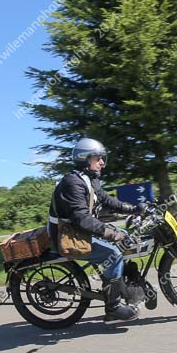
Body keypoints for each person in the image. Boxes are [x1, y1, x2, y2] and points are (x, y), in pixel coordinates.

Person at [48, 138, 146, 325]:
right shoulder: (73, 183)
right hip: (67, 235)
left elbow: (107, 200)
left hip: (78, 229)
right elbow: (82, 219)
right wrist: (111, 233)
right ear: (85, 158)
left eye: (102, 158)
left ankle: (126, 286)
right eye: (98, 158)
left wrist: (133, 209)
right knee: (114, 253)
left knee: (126, 241)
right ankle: (113, 308)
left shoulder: (89, 178)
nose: (102, 162)